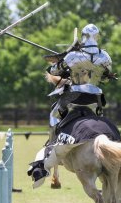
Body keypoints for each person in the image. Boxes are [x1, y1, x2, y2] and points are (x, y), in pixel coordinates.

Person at [28, 24, 116, 185]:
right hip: (95, 99)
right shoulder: (105, 56)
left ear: (82, 37)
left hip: (74, 97)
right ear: (97, 37)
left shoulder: (73, 56)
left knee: (54, 115)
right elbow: (104, 78)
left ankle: (52, 144)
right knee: (100, 119)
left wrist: (63, 60)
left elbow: (53, 71)